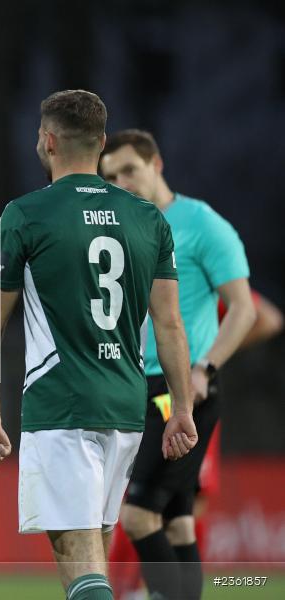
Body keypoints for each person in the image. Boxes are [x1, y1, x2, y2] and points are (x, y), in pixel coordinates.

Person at [0, 90, 198, 600]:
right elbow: (171, 325)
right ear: (102, 142)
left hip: (62, 404)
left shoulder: (25, 214)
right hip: (127, 409)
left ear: (47, 141)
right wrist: (181, 408)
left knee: (78, 558)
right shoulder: (148, 218)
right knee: (96, 552)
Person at [100, 129, 257, 600]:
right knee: (177, 522)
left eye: (129, 169)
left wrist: (204, 368)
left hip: (179, 394)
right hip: (134, 387)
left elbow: (244, 309)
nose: (122, 182)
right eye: (111, 176)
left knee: (138, 516)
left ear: (156, 164)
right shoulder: (117, 231)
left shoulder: (202, 223)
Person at [107, 290, 282, 600]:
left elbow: (267, 318)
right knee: (156, 509)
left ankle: (136, 590)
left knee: (168, 510)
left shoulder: (197, 279)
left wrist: (209, 358)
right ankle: (134, 589)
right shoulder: (159, 273)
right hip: (156, 399)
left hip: (187, 406)